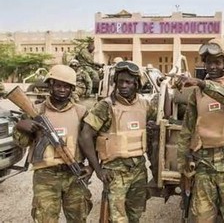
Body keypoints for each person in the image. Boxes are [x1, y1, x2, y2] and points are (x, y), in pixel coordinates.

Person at [176, 38, 224, 222]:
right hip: (204, 165)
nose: (212, 66)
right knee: (201, 217)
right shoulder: (197, 93)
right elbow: (188, 128)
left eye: (217, 62)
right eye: (209, 62)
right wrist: (182, 165)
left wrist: (202, 83)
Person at [12, 65, 93, 223]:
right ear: (50, 85)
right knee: (45, 219)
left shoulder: (81, 111)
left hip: (74, 174)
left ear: (72, 89)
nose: (62, 89)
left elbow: (93, 143)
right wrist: (21, 126)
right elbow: (21, 143)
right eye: (58, 85)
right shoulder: (35, 110)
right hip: (45, 176)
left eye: (66, 86)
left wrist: (90, 166)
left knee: (78, 218)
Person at [78, 60, 156, 222]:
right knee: (116, 218)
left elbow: (160, 122)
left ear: (136, 84)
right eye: (120, 81)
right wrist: (98, 169)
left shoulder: (145, 105)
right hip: (114, 171)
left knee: (135, 214)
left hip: (138, 169)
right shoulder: (105, 106)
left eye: (128, 82)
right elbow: (85, 136)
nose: (123, 86)